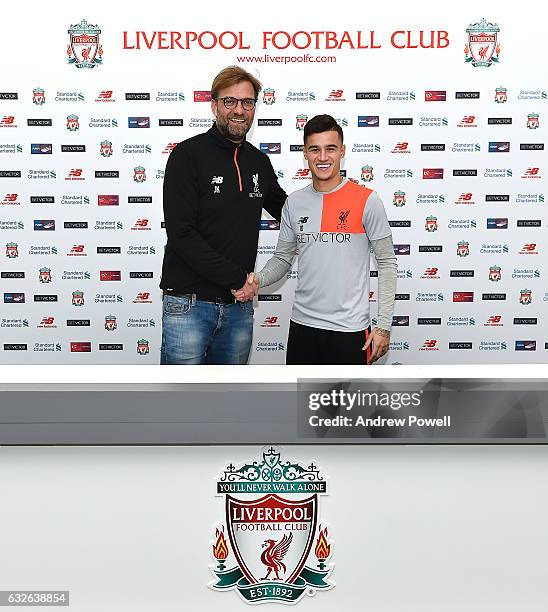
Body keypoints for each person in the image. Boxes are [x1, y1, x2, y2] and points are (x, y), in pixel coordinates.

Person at [234, 114, 397, 365]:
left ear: (342, 151)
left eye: (330, 149)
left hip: (350, 331)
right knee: (304, 405)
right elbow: (282, 258)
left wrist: (384, 326)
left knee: (346, 405)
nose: (322, 157)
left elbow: (386, 262)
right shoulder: (294, 202)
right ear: (305, 153)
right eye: (315, 150)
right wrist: (258, 279)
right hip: (303, 328)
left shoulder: (367, 200)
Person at [160, 66, 286, 364]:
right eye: (230, 102)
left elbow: (289, 211)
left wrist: (334, 194)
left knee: (228, 405)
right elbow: (182, 234)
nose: (239, 110)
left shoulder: (258, 161)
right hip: (189, 306)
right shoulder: (186, 156)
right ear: (214, 105)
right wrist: (238, 278)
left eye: (247, 102)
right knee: (180, 407)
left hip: (238, 309)